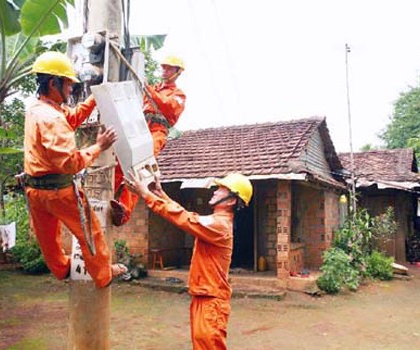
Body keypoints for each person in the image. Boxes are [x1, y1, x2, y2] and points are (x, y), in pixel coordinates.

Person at [23, 51, 127, 288]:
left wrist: (95, 98)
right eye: (68, 84)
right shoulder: (52, 118)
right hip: (58, 192)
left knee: (49, 240)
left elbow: (72, 117)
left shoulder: (37, 109)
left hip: (34, 191)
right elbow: (70, 164)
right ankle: (103, 276)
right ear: (53, 83)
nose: (71, 89)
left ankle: (61, 269)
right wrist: (99, 146)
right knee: (91, 232)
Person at [125, 172, 253, 349]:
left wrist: (147, 195)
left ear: (231, 200)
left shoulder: (220, 225)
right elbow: (186, 215)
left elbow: (185, 219)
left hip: (211, 301)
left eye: (221, 190)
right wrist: (161, 195)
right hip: (204, 297)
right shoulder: (216, 222)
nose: (214, 192)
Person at [110, 55, 187, 226]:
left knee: (140, 166)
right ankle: (108, 194)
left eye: (169, 68)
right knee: (119, 160)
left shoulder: (178, 94)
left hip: (157, 132)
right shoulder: (153, 89)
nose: (165, 71)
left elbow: (167, 106)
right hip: (141, 129)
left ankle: (124, 210)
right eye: (164, 67)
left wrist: (148, 89)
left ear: (177, 72)